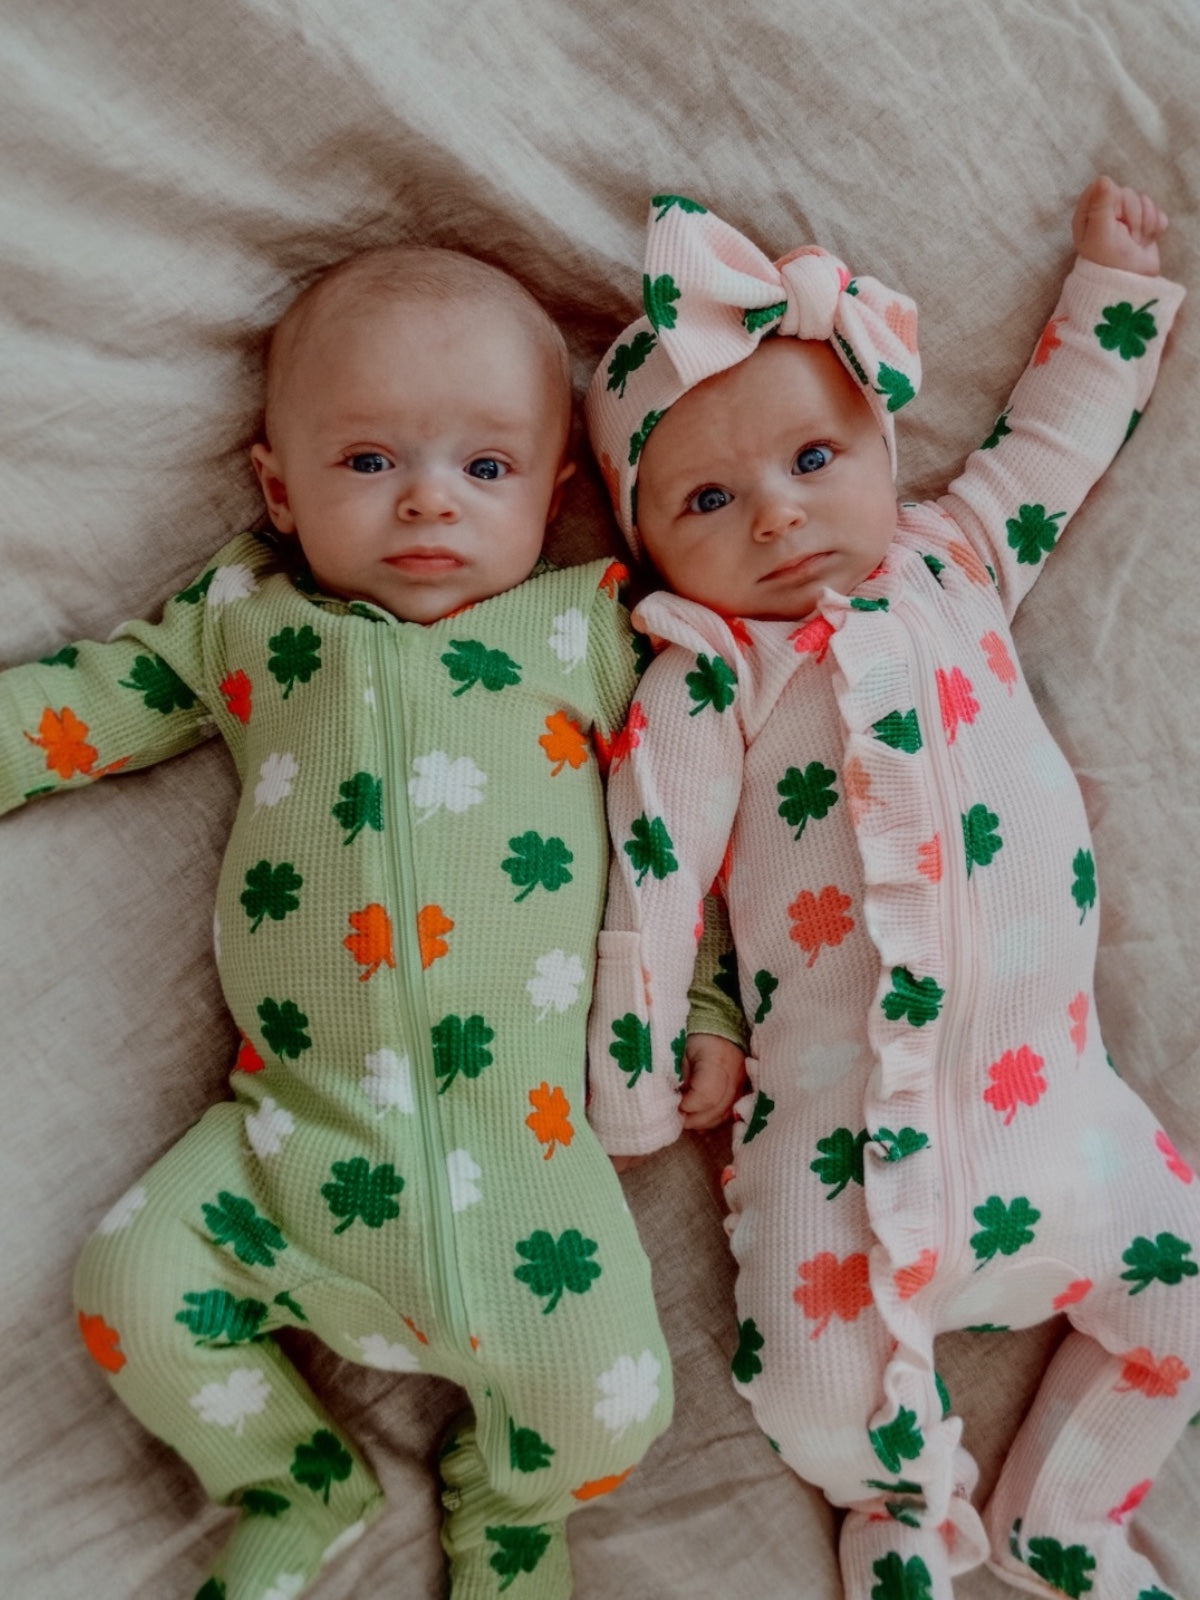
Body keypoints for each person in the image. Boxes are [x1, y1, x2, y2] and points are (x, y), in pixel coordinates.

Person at [0, 245, 689, 1600]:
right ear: (279, 485)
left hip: (530, 1173)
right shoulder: (249, 621)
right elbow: (93, 704)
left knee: (616, 1410)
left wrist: (709, 1010)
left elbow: (686, 847)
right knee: (130, 1286)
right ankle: (294, 1479)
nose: (429, 496)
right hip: (284, 1152)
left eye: (485, 468)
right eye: (369, 461)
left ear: (559, 491)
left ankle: (508, 1513)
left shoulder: (591, 636)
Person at [583, 178, 1196, 1599]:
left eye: (814, 456)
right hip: (838, 1158)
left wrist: (1111, 298)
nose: (781, 518)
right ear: (641, 539)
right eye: (710, 499)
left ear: (881, 442)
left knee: (1182, 1288)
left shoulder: (955, 560)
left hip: (1066, 1113)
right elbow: (651, 875)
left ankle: (1069, 1518)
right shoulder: (710, 675)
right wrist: (630, 1073)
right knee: (803, 1385)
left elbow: (1052, 444)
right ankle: (903, 1512)